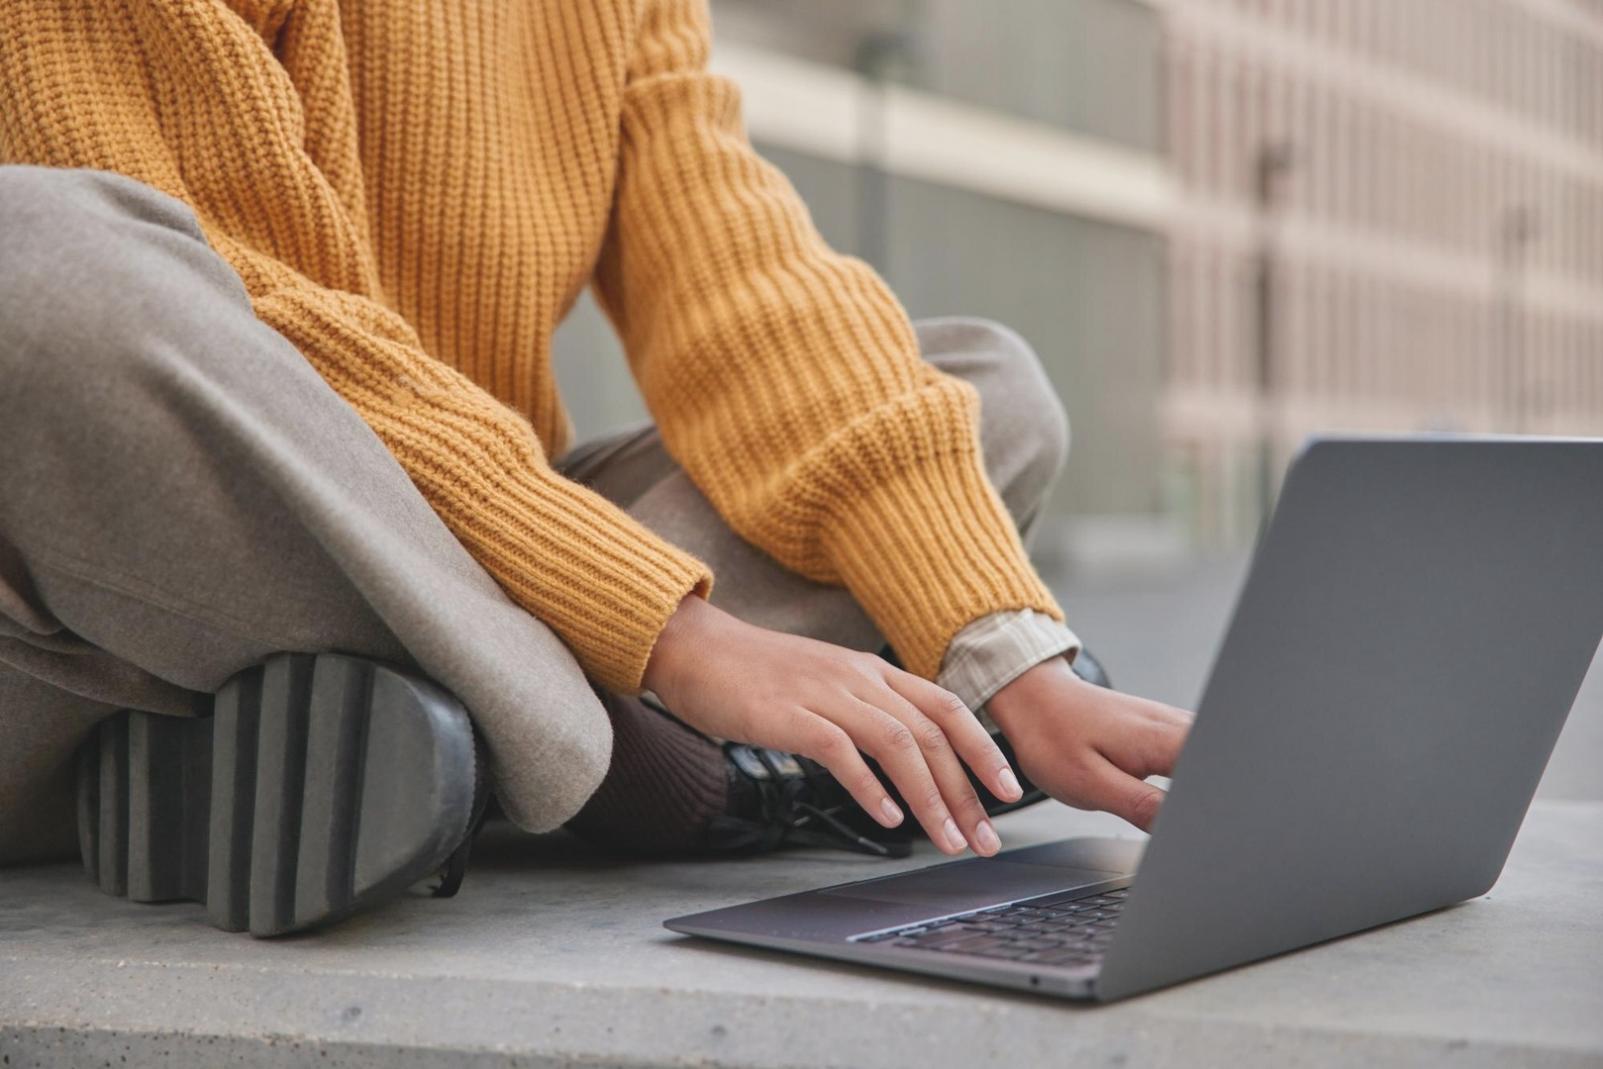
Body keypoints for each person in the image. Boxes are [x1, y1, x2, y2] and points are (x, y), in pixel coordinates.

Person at [0, 0, 1191, 934]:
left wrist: (1001, 648)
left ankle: (398, 748)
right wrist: (673, 636)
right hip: (75, 616)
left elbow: (738, 280)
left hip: (433, 547)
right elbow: (254, 311)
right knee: (33, 260)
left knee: (983, 391)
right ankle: (631, 761)